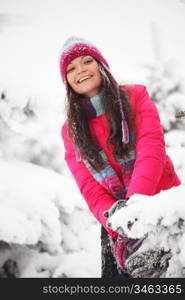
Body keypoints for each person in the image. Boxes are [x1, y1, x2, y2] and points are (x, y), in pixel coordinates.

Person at [59, 37, 181, 278]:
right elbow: (89, 187)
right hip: (115, 225)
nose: (80, 70)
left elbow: (151, 150)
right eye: (71, 68)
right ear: (67, 82)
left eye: (87, 61)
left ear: (101, 66)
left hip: (160, 207)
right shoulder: (70, 131)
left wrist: (134, 207)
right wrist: (117, 220)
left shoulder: (135, 97)